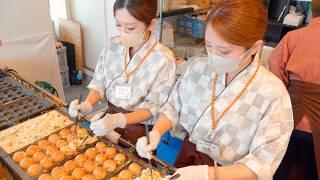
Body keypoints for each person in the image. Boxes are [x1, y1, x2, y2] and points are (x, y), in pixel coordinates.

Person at [136, 0, 294, 179]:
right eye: (209, 46)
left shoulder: (272, 94)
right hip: (188, 160)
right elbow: (173, 107)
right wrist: (156, 132)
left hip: (232, 174)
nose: (213, 57)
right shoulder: (198, 68)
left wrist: (208, 174)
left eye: (224, 51)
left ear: (254, 48)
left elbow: (262, 164)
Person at [68, 0, 176, 144]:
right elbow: (100, 81)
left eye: (130, 28)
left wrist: (119, 120)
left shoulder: (163, 58)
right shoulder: (113, 44)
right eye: (118, 25)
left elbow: (154, 106)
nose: (123, 33)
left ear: (150, 24)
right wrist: (87, 104)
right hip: (108, 118)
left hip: (139, 128)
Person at [269, 1, 320, 179]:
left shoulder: (292, 37)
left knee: (282, 169)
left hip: (290, 117)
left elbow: (275, 70)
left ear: (312, 13)